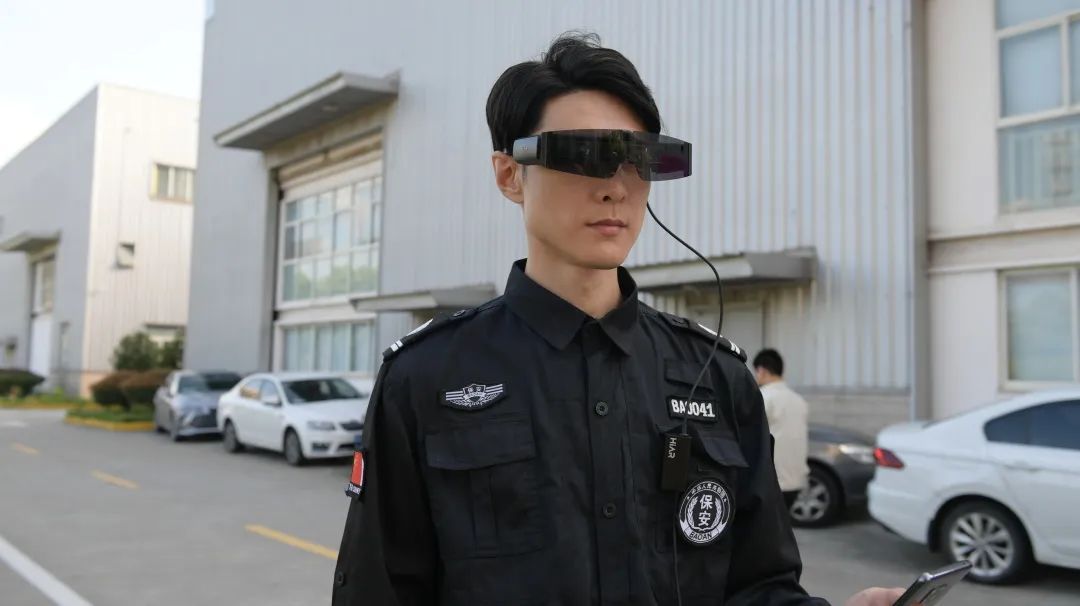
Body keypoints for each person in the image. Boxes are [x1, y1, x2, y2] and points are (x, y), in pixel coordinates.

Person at [333, 33, 906, 606]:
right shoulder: (427, 379)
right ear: (510, 175)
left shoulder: (716, 375)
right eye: (583, 155)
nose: (616, 187)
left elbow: (758, 585)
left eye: (639, 160)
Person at [753, 348, 811, 512]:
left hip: (771, 482)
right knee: (783, 524)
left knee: (765, 527)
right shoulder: (799, 400)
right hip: (796, 480)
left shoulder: (762, 397)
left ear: (761, 370)